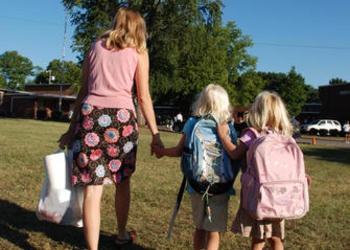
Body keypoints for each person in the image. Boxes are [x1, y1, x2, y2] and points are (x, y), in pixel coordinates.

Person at [58, 7, 163, 250]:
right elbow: (144, 97)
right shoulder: (139, 52)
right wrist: (156, 134)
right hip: (122, 120)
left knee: (93, 189)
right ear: (138, 28)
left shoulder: (95, 47)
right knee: (122, 180)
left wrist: (71, 128)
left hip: (90, 117)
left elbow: (83, 91)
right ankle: (121, 234)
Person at [152, 84, 237, 250]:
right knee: (213, 232)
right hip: (221, 186)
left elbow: (179, 151)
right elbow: (235, 155)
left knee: (199, 228)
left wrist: (161, 151)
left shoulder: (192, 122)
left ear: (201, 102)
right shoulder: (228, 127)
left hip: (196, 184)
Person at [218, 91, 293, 250]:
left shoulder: (253, 134)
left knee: (258, 238)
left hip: (260, 195)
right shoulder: (284, 136)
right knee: (275, 238)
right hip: (281, 196)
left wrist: (223, 137)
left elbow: (234, 153)